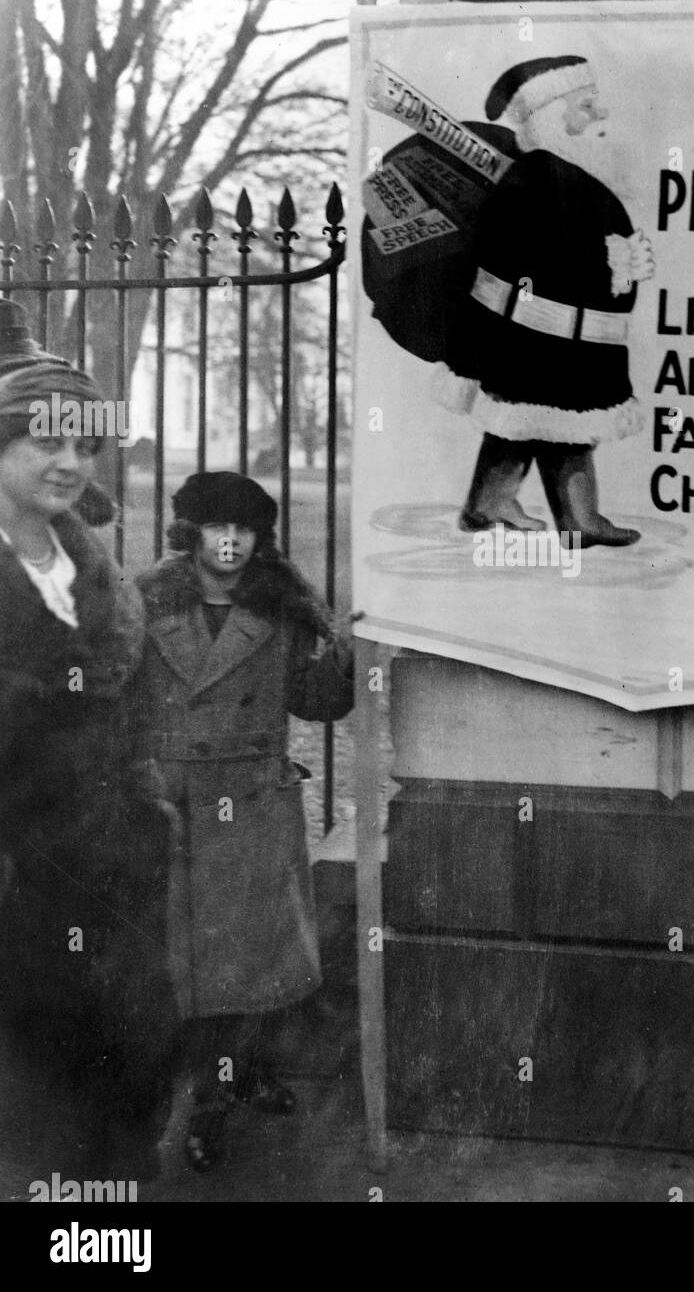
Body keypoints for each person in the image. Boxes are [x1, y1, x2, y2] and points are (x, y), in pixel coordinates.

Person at [0, 298, 177, 1188]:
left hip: (116, 875)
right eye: (46, 443)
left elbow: (137, 713)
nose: (71, 464)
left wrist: (144, 812)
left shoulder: (95, 572)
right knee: (33, 1108)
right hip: (17, 884)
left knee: (128, 1072)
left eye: (84, 445)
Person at [131, 471, 356, 1171]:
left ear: (260, 539)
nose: (230, 541)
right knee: (178, 966)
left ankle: (225, 1094)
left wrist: (338, 648)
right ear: (189, 534)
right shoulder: (142, 603)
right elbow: (116, 695)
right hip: (174, 803)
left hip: (253, 802)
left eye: (245, 530)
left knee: (247, 963)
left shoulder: (282, 608)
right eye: (216, 527)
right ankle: (192, 1100)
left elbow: (318, 705)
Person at [435, 54, 655, 546]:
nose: (598, 117)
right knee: (550, 425)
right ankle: (568, 519)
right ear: (553, 115)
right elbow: (527, 260)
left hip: (555, 336)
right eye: (585, 107)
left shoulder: (563, 177)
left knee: (531, 424)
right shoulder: (536, 182)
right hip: (541, 335)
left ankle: (493, 506)